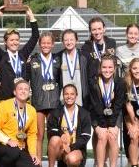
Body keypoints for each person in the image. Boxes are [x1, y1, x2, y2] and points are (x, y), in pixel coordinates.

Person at [0, 6, 39, 100]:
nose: (14, 42)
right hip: (6, 98)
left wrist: (31, 17)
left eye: (16, 40)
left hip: (22, 97)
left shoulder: (23, 54)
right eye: (11, 40)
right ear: (5, 42)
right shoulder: (1, 56)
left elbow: (35, 36)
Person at [26, 31, 62, 160]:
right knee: (38, 134)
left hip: (54, 102)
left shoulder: (58, 59)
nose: (45, 45)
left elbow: (61, 80)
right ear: (39, 44)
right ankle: (38, 162)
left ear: (53, 44)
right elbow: (26, 81)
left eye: (48, 43)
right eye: (43, 43)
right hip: (38, 103)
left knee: (52, 135)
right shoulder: (33, 60)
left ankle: (52, 163)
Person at [0, 80, 41, 167]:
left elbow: (32, 134)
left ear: (29, 93)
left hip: (17, 147)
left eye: (26, 89)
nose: (23, 91)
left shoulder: (32, 110)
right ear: (14, 92)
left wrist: (33, 153)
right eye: (20, 89)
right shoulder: (3, 106)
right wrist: (7, 140)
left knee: (34, 165)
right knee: (13, 152)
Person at [86, 54, 126, 167]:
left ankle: (113, 165)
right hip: (96, 113)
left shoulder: (120, 82)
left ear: (114, 68)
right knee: (102, 136)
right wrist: (103, 126)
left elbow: (118, 105)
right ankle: (100, 164)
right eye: (104, 67)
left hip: (115, 113)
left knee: (112, 136)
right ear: (100, 68)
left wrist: (112, 125)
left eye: (110, 67)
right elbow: (95, 105)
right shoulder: (93, 82)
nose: (107, 70)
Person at [47, 84, 91, 167]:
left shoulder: (84, 113)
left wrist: (71, 147)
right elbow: (51, 129)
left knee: (72, 159)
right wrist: (61, 134)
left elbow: (86, 136)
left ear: (76, 95)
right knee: (54, 139)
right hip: (61, 149)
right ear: (63, 95)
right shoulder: (56, 112)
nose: (69, 96)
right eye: (66, 94)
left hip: (76, 149)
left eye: (72, 94)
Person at [56, 29, 88, 106]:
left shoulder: (84, 56)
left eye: (71, 39)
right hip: (64, 99)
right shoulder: (58, 57)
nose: (69, 42)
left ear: (76, 40)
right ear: (63, 42)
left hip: (80, 98)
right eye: (66, 40)